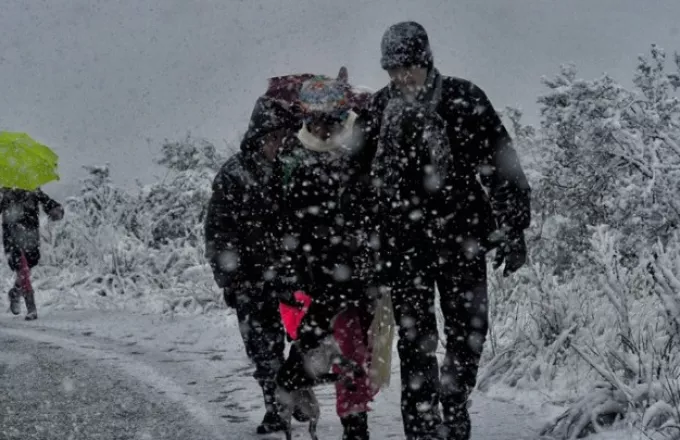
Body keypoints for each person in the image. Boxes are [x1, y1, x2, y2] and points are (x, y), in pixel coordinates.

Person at [355, 21, 532, 440]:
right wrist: (367, 244)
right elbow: (358, 185)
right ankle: (421, 426)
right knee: (416, 343)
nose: (401, 78)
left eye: (408, 67)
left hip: (462, 237)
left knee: (469, 333)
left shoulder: (463, 99)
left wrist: (513, 226)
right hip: (402, 244)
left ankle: (453, 400)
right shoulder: (379, 110)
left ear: (426, 60)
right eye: (392, 70)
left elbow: (500, 163)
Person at [272, 74, 375, 440]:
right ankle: (307, 398)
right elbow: (288, 223)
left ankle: (354, 426)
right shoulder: (295, 161)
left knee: (352, 354)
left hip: (355, 276)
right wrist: (291, 268)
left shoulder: (360, 156)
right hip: (319, 278)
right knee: (321, 351)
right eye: (316, 119)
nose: (323, 126)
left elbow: (373, 211)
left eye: (329, 118)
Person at [204, 94, 308, 434]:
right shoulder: (233, 175)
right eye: (272, 137)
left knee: (302, 340)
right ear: (259, 135)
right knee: (262, 348)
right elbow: (219, 231)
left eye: (281, 137)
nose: (277, 144)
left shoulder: (288, 171)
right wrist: (230, 278)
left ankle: (295, 392)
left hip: (287, 277)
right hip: (249, 280)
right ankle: (276, 408)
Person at [1, 187, 64, 320]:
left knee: (26, 267)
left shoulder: (33, 190)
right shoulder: (5, 193)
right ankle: (31, 307)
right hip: (12, 238)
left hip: (30, 237)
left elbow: (47, 202)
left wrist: (55, 209)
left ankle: (16, 292)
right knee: (22, 268)